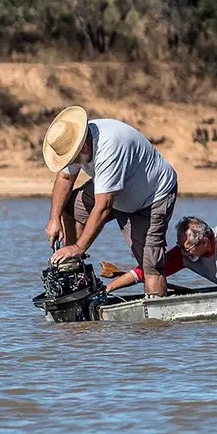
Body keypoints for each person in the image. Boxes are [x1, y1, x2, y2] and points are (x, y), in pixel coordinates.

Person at [43, 106, 179, 298]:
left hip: (152, 196)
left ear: (82, 146)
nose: (71, 162)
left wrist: (79, 247)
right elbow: (65, 180)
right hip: (114, 190)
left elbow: (103, 206)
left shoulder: (109, 146)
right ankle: (74, 277)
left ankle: (155, 322)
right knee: (70, 208)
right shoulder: (71, 143)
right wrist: (54, 218)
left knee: (150, 264)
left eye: (72, 158)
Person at [102, 216, 217, 293]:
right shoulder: (186, 252)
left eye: (186, 248)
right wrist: (109, 288)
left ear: (204, 242)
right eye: (180, 246)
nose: (182, 253)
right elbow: (150, 271)